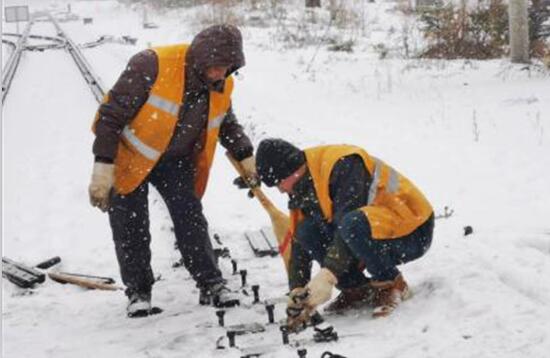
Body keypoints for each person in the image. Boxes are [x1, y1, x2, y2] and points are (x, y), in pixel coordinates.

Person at [88, 25, 257, 317]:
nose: (220, 74)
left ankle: (211, 283)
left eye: (227, 68)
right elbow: (109, 117)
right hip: (130, 156)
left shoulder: (221, 83)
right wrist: (103, 165)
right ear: (201, 60)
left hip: (175, 161)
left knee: (190, 218)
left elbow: (226, 123)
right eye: (216, 67)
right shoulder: (151, 64)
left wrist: (245, 156)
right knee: (131, 225)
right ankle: (139, 291)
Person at [255, 139, 434, 328]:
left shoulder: (344, 164)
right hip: (376, 232)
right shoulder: (302, 184)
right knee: (305, 230)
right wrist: (297, 288)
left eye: (278, 183)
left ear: (291, 171)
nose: (280, 190)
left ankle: (392, 283)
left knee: (351, 224)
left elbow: (348, 227)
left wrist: (328, 276)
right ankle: (356, 289)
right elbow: (300, 241)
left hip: (413, 229)